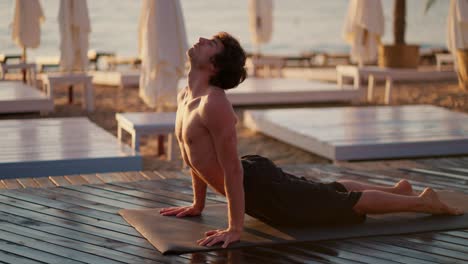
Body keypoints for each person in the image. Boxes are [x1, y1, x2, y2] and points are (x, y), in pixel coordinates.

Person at [159, 32, 463, 249]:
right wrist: (198, 203)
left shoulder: (214, 104)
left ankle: (422, 202)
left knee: (342, 205)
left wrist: (235, 228)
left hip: (259, 188)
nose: (200, 40)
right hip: (255, 179)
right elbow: (193, 156)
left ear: (214, 66)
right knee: (323, 193)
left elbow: (232, 172)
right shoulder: (186, 96)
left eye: (210, 43)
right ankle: (397, 190)